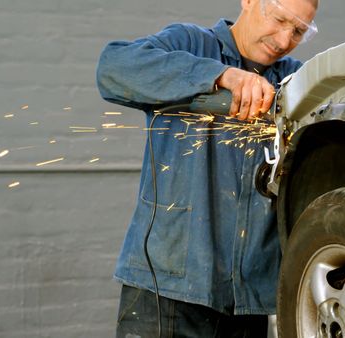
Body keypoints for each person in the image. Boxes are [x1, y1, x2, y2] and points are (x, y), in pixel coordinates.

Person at [96, 0, 318, 336]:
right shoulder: (189, 44)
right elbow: (113, 68)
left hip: (248, 305)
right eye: (279, 19)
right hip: (166, 292)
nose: (285, 39)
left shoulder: (295, 81)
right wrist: (219, 76)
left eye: (299, 30)